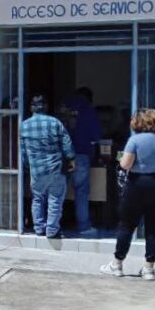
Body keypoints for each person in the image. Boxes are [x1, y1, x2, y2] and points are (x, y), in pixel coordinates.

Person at [100, 109, 155, 280]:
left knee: (127, 224)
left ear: (138, 123)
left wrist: (124, 160)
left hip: (138, 183)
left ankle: (117, 265)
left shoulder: (134, 140)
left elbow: (126, 164)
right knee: (154, 226)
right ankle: (149, 269)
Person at [20, 95, 75, 239]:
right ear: (46, 107)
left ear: (31, 108)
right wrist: (71, 159)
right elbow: (66, 143)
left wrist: (27, 166)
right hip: (55, 168)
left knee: (37, 199)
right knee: (55, 200)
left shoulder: (24, 125)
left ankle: (39, 228)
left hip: (36, 170)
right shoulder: (55, 122)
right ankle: (52, 230)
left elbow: (23, 151)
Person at [64, 87, 103, 235]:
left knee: (58, 192)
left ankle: (52, 225)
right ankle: (83, 226)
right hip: (81, 154)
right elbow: (96, 135)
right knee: (81, 192)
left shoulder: (64, 108)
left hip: (62, 156)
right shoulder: (88, 110)